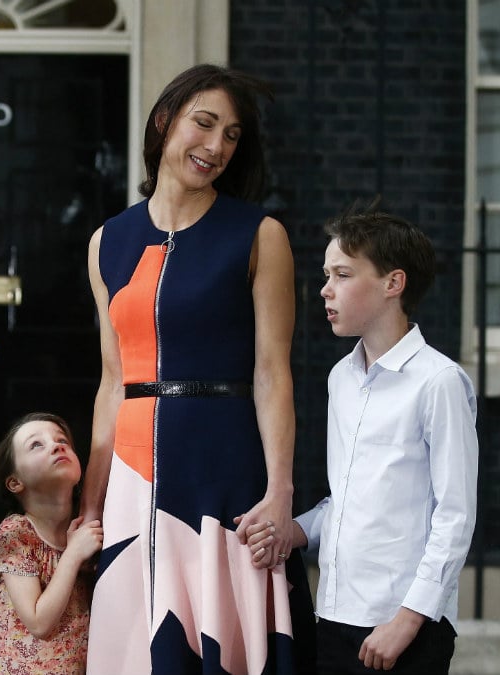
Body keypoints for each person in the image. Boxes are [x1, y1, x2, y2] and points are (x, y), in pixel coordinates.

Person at [80, 63, 314, 674]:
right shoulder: (107, 241)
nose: (215, 147)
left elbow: (273, 374)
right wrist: (91, 502)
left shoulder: (260, 235)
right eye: (203, 124)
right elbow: (112, 380)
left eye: (232, 135)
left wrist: (280, 494)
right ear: (164, 122)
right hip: (133, 479)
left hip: (224, 470)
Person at [245, 209, 477, 675]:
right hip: (334, 617)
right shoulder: (341, 378)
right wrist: (296, 530)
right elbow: (348, 497)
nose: (325, 289)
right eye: (326, 275)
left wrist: (408, 619)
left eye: (343, 275)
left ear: (393, 283)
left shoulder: (439, 382)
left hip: (403, 625)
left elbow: (455, 516)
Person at [0, 412, 104, 675]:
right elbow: (38, 623)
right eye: (36, 445)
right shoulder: (16, 532)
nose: (57, 445)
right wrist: (73, 554)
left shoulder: (86, 527)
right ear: (15, 482)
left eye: (62, 440)